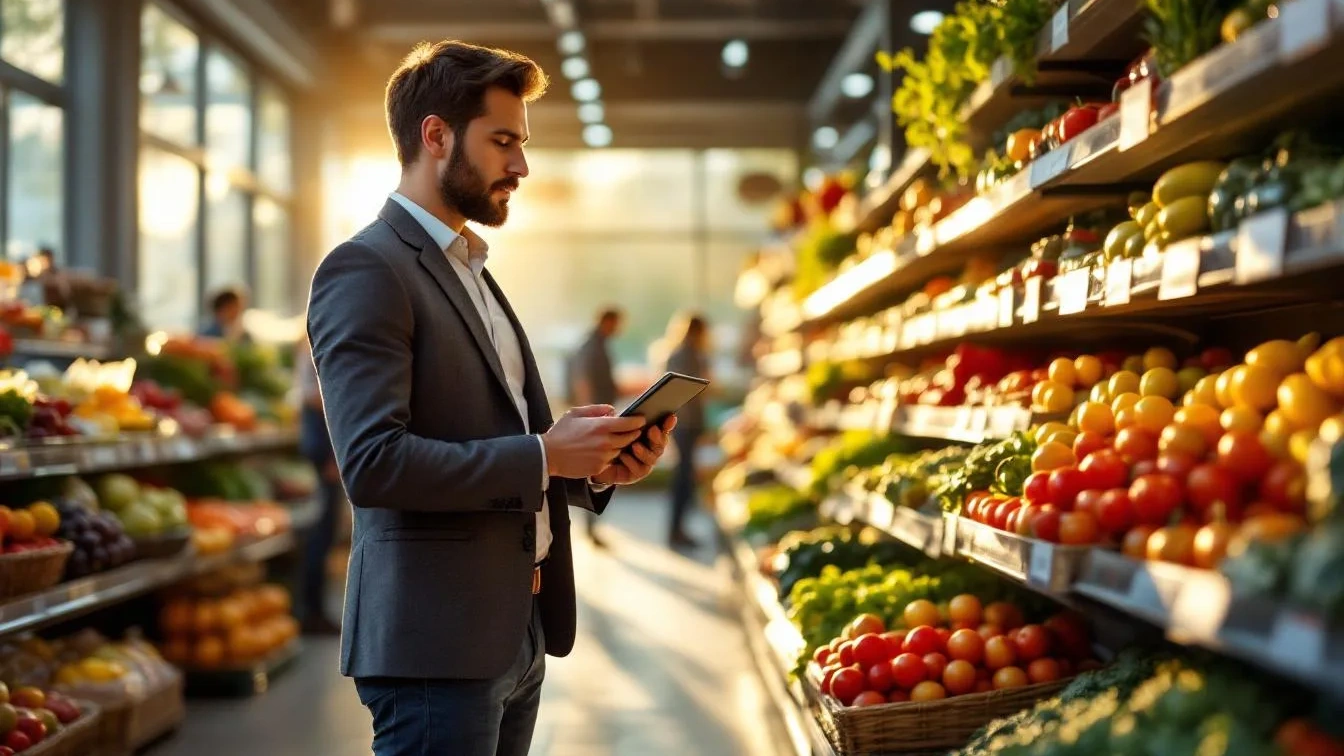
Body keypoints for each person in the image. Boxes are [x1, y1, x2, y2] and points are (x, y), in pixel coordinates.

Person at [305, 40, 676, 756]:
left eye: (523, 143)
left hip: (514, 629)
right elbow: (374, 465)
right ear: (435, 135)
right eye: (502, 141)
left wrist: (591, 465)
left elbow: (493, 439)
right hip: (435, 645)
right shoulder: (366, 269)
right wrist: (542, 453)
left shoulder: (473, 270)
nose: (522, 165)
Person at [294, 334, 341, 635]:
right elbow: (316, 396)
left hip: (321, 445)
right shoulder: (317, 342)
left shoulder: (314, 341)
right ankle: (311, 611)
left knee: (323, 532)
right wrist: (334, 453)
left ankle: (313, 609)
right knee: (320, 533)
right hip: (323, 446)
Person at [565, 307, 624, 548]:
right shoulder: (592, 346)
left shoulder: (597, 344)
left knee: (595, 471)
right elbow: (583, 381)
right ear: (607, 321)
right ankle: (591, 529)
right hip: (594, 418)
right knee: (593, 470)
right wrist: (590, 415)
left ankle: (592, 529)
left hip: (598, 416)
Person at [664, 313, 712, 548]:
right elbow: (697, 390)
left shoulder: (675, 353)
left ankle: (677, 529)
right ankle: (677, 531)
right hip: (687, 424)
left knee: (682, 477)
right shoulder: (691, 355)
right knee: (683, 479)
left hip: (679, 424)